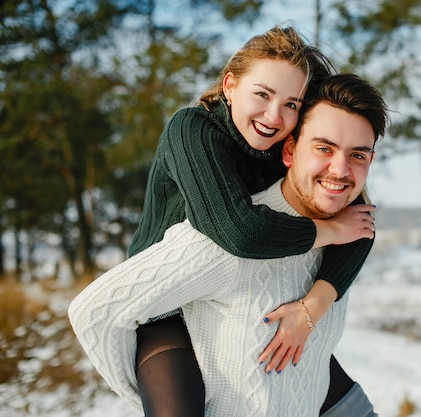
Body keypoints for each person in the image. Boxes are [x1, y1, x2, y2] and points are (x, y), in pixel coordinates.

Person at [73, 25, 377, 416]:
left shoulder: (274, 144)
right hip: (165, 303)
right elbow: (241, 233)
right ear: (230, 85)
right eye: (262, 95)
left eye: (292, 104)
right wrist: (331, 230)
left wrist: (315, 304)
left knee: (305, 376)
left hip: (238, 292)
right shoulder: (194, 131)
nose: (274, 115)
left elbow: (362, 223)